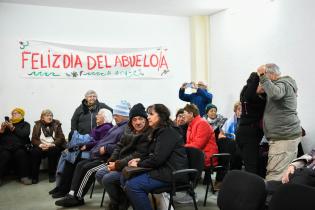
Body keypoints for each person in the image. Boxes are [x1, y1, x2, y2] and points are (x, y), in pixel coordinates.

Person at [55, 100, 130, 207]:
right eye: (114, 115)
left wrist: (106, 148)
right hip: (97, 155)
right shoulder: (116, 127)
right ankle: (71, 193)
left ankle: (77, 197)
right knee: (79, 164)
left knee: (88, 169)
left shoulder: (123, 128)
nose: (114, 117)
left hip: (106, 158)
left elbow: (121, 146)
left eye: (116, 115)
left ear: (123, 115)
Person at [125, 104, 188, 210]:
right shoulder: (160, 131)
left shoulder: (168, 132)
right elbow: (154, 155)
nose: (148, 117)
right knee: (127, 178)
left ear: (161, 116)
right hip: (164, 168)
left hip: (171, 172)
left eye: (151, 114)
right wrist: (140, 160)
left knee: (133, 185)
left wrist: (139, 164)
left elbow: (158, 159)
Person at [95, 103, 150, 210]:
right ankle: (122, 199)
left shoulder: (148, 133)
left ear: (145, 119)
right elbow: (119, 146)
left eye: (140, 119)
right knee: (99, 174)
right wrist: (112, 160)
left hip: (134, 166)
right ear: (131, 120)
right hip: (122, 162)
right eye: (134, 119)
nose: (138, 122)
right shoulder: (128, 129)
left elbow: (137, 154)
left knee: (107, 178)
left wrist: (117, 165)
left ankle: (117, 204)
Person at [49, 108, 113, 198]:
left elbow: (101, 142)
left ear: (105, 117)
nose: (96, 116)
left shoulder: (106, 127)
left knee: (71, 158)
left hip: (93, 155)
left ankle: (63, 188)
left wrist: (87, 146)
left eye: (99, 114)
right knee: (67, 155)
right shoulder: (99, 127)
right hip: (89, 151)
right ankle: (60, 186)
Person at [257, 63, 302, 181]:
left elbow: (275, 94)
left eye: (264, 76)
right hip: (284, 137)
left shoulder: (283, 83)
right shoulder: (282, 84)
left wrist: (262, 76)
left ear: (270, 75)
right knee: (284, 176)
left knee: (274, 176)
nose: (262, 80)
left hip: (283, 139)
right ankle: (282, 198)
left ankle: (272, 199)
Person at [236, 72, 266, 176]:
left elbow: (250, 92)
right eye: (259, 84)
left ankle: (250, 189)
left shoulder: (261, 98)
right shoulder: (248, 95)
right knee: (250, 165)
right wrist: (256, 75)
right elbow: (248, 90)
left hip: (249, 133)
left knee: (251, 165)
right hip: (246, 133)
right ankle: (248, 189)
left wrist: (256, 77)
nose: (262, 87)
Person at [30, 109, 66, 184]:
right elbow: (33, 139)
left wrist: (52, 144)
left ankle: (52, 174)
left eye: (51, 116)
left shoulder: (57, 124)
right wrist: (40, 145)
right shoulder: (37, 125)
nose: (50, 117)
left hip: (52, 145)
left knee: (53, 150)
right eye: (47, 116)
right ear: (42, 117)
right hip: (41, 145)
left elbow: (61, 137)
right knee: (34, 152)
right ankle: (34, 176)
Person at [0, 108, 32, 185]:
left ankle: (24, 176)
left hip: (20, 147)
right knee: (4, 155)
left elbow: (24, 134)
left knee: (21, 153)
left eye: (16, 113)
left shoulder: (26, 124)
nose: (14, 115)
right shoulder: (7, 124)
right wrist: (2, 130)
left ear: (21, 115)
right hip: (6, 147)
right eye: (13, 113)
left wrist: (13, 128)